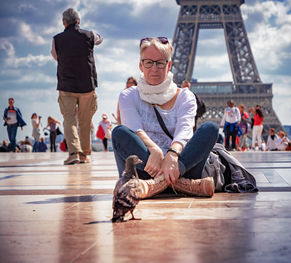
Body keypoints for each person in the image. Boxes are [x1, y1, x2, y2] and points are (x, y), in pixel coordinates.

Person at [112, 37, 219, 198]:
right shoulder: (128, 95)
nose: (154, 68)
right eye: (148, 62)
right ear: (140, 65)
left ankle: (155, 186)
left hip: (180, 166)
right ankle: (185, 186)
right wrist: (154, 150)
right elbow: (134, 127)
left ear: (169, 65)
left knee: (210, 128)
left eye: (160, 62)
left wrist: (172, 154)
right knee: (119, 132)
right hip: (146, 167)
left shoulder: (185, 96)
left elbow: (185, 129)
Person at [51, 8, 103, 164]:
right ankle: (85, 155)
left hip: (66, 85)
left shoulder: (57, 39)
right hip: (87, 84)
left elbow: (56, 56)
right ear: (78, 21)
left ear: (63, 22)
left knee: (69, 120)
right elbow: (100, 39)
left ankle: (73, 153)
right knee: (85, 121)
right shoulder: (89, 35)